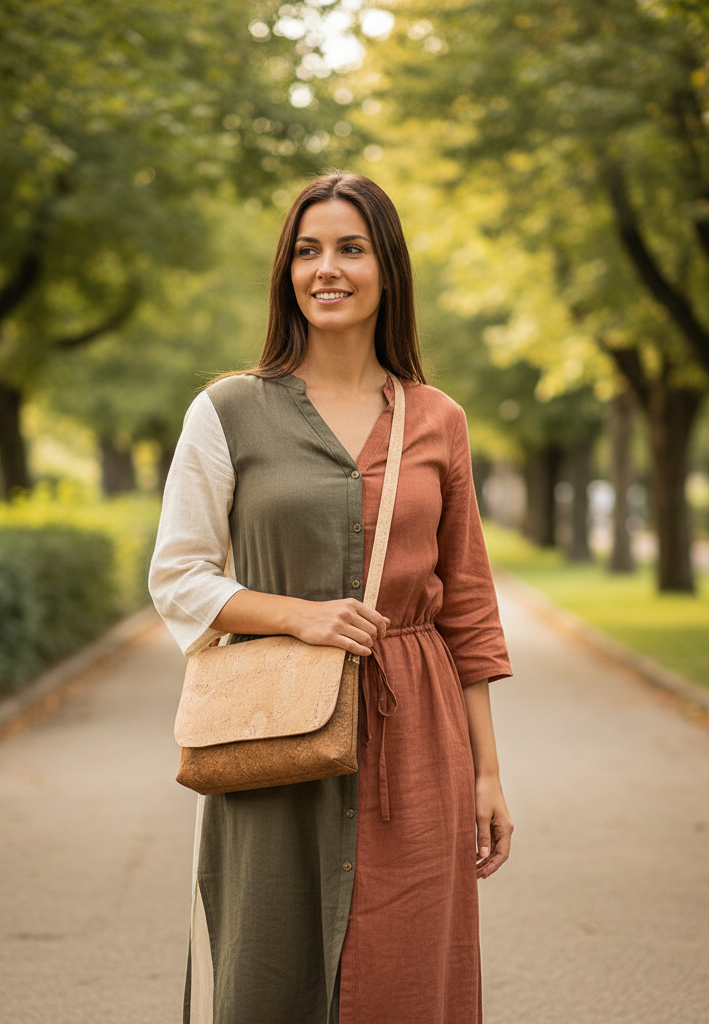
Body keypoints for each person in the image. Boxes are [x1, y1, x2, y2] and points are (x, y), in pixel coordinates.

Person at [148, 172, 513, 1024]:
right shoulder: (227, 411)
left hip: (417, 735)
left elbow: (467, 609)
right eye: (308, 251)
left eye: (351, 248)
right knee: (267, 970)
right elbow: (179, 574)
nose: (328, 269)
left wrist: (488, 773)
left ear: (388, 267)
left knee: (408, 974)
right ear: (285, 273)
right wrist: (296, 614)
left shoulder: (438, 420)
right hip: (273, 730)